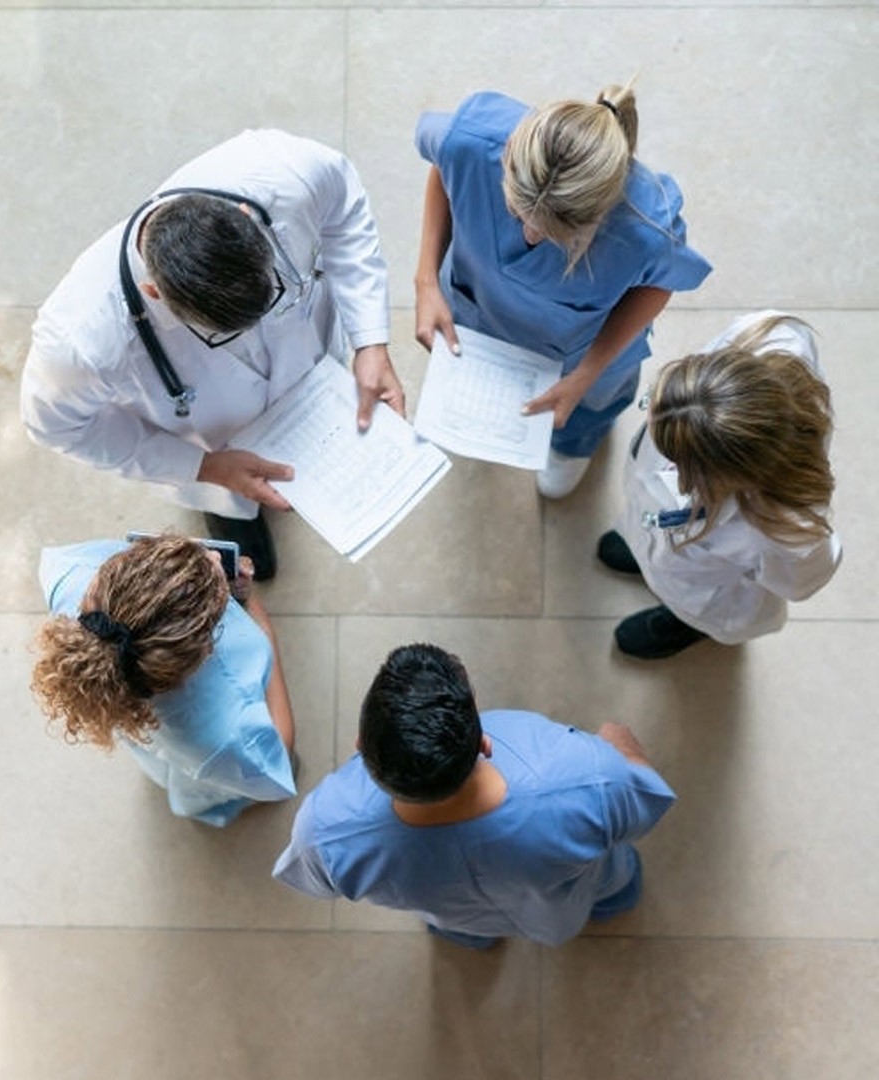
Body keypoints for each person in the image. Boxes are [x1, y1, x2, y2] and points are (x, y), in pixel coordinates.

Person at [21, 129, 405, 581]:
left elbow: (345, 207)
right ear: (153, 293)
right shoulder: (80, 342)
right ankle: (235, 517)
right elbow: (55, 426)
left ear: (246, 217)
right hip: (215, 446)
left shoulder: (282, 172)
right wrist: (203, 466)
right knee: (235, 512)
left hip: (313, 375)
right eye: (222, 334)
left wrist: (370, 340)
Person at [414, 85, 711, 499]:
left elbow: (661, 282)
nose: (530, 234)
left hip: (584, 355)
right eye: (517, 212)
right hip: (477, 308)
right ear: (506, 157)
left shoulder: (645, 229)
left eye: (553, 233)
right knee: (481, 388)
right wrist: (426, 280)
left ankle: (572, 448)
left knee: (586, 410)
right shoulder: (472, 139)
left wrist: (586, 374)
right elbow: (446, 167)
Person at [273, 644, 675, 948]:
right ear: (484, 743)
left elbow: (311, 881)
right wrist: (620, 746)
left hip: (458, 917)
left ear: (361, 745)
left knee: (464, 931)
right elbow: (644, 805)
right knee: (611, 888)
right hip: (559, 912)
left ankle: (477, 942)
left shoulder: (324, 831)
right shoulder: (590, 779)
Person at [598, 311, 843, 659]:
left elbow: (798, 583)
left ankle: (685, 626)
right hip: (661, 523)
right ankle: (644, 552)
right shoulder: (769, 337)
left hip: (702, 590)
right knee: (649, 529)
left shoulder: (790, 531)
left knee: (691, 601)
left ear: (720, 476)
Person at [32, 534, 296, 825]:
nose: (215, 556)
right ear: (203, 651)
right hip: (204, 762)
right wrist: (261, 624)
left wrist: (187, 570)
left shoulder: (70, 573)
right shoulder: (224, 734)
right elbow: (275, 757)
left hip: (157, 742)